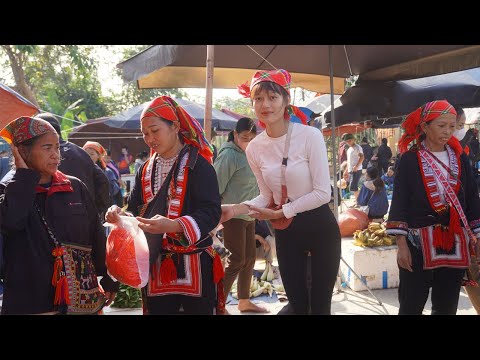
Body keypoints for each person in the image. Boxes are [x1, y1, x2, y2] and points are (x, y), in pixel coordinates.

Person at [220, 69, 341, 315]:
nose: (265, 105)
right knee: (297, 305)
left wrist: (282, 211)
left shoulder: (310, 136)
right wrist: (235, 209)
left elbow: (322, 193)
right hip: (287, 232)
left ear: (286, 101)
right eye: (258, 99)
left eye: (273, 98)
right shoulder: (254, 148)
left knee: (319, 308)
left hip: (320, 226)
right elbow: (266, 196)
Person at [105, 96, 223, 315]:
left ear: (175, 126)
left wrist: (175, 225)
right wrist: (120, 216)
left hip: (194, 260)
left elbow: (212, 211)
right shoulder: (145, 169)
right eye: (145, 134)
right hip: (156, 261)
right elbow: (136, 208)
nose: (149, 138)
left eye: (154, 131)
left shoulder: (199, 164)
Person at [0, 116, 118, 314]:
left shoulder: (75, 187)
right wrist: (24, 177)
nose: (56, 155)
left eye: (57, 148)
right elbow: (13, 221)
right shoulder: (7, 191)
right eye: (47, 148)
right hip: (32, 300)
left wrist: (107, 277)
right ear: (22, 152)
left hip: (81, 300)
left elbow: (95, 236)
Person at [386, 100, 480, 315]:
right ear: (425, 126)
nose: (448, 131)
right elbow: (400, 200)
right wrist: (401, 245)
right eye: (441, 126)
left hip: (454, 242)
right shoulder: (409, 160)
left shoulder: (461, 158)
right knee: (411, 304)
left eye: (452, 126)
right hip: (417, 244)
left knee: (447, 306)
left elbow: (473, 200)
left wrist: (478, 237)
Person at [213, 117, 264, 313]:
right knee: (236, 260)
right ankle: (218, 304)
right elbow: (215, 189)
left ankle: (244, 300)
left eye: (252, 139)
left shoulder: (250, 153)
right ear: (234, 135)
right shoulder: (228, 156)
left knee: (250, 258)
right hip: (231, 216)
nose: (248, 143)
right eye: (244, 138)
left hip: (249, 214)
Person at [35, 113, 110, 218]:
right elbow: (102, 181)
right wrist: (96, 209)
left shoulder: (40, 154)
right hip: (85, 215)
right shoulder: (80, 152)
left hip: (54, 217)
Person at [453, 105, 480, 315]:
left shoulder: (464, 154)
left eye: (460, 125)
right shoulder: (416, 158)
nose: (458, 130)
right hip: (453, 233)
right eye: (457, 125)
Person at [83, 141, 121, 210]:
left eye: (92, 154)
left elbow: (115, 189)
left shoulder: (107, 172)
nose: (88, 156)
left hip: (102, 208)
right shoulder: (81, 171)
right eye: (86, 153)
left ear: (99, 156)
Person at [344, 133, 364, 202]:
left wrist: (356, 166)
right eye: (347, 141)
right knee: (353, 186)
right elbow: (348, 161)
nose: (348, 142)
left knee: (353, 186)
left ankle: (358, 201)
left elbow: (362, 157)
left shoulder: (357, 147)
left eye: (349, 140)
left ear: (353, 140)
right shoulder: (349, 149)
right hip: (351, 170)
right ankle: (357, 200)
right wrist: (346, 170)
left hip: (356, 170)